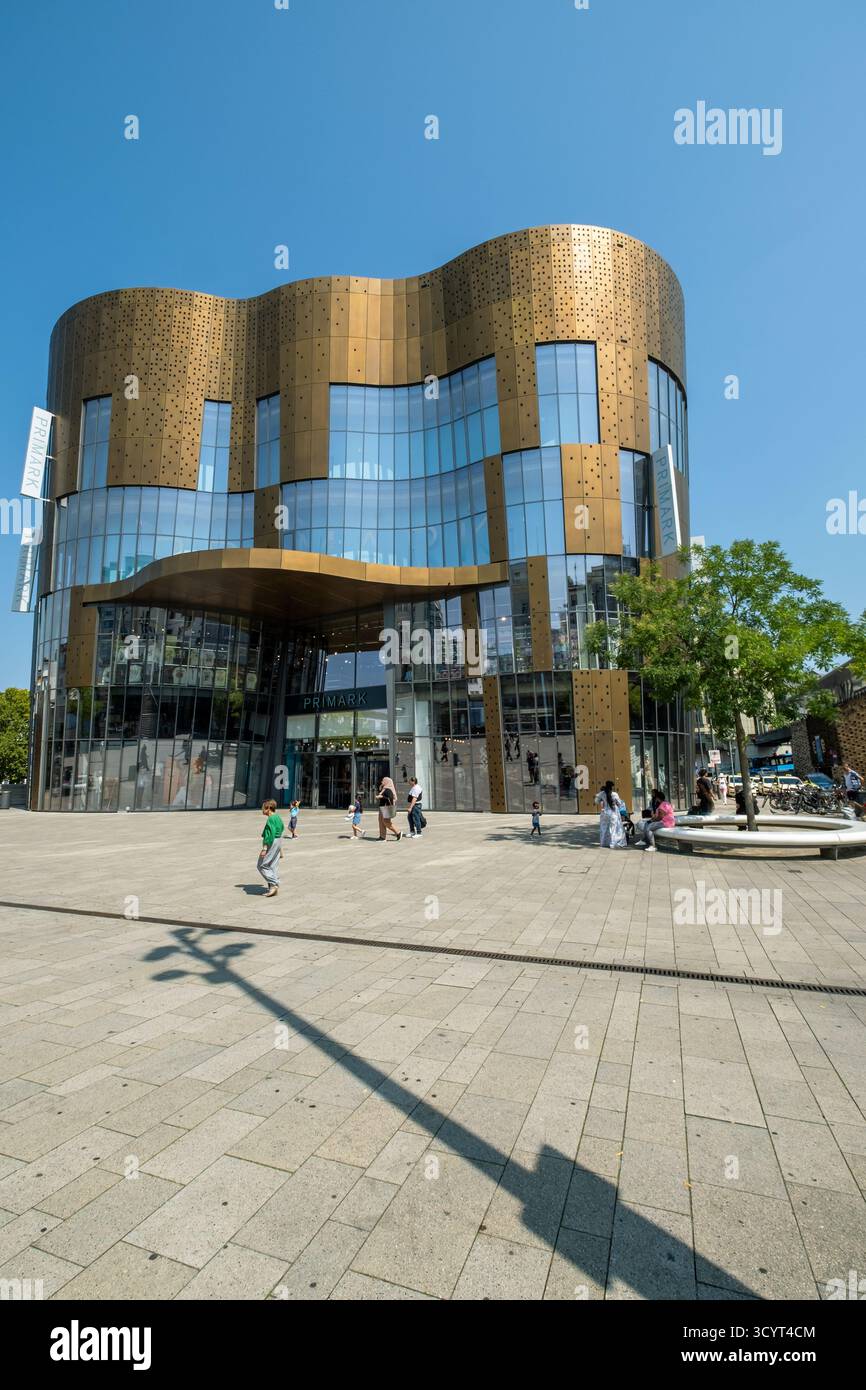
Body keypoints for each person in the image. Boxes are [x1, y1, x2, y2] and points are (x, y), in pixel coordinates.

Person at [257, 799, 284, 898]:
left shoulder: (271, 819)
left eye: (263, 808)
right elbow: (281, 829)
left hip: (271, 843)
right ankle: (272, 887)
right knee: (272, 865)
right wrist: (280, 849)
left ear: (268, 808)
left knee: (262, 865)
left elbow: (270, 835)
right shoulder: (277, 817)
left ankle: (274, 883)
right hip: (278, 842)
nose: (262, 810)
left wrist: (264, 848)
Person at [594, 780, 627, 849]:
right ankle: (612, 843)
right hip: (613, 812)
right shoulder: (614, 794)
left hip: (604, 813)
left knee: (604, 828)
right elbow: (619, 803)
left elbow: (596, 801)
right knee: (613, 829)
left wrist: (602, 800)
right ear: (612, 787)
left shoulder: (601, 793)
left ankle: (603, 843)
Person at [376, 775, 403, 841]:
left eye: (383, 780)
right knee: (381, 822)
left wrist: (381, 797)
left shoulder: (388, 789)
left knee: (386, 822)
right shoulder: (384, 788)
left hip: (386, 808)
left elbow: (389, 798)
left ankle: (398, 833)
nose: (382, 781)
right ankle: (382, 837)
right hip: (382, 808)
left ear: (387, 782)